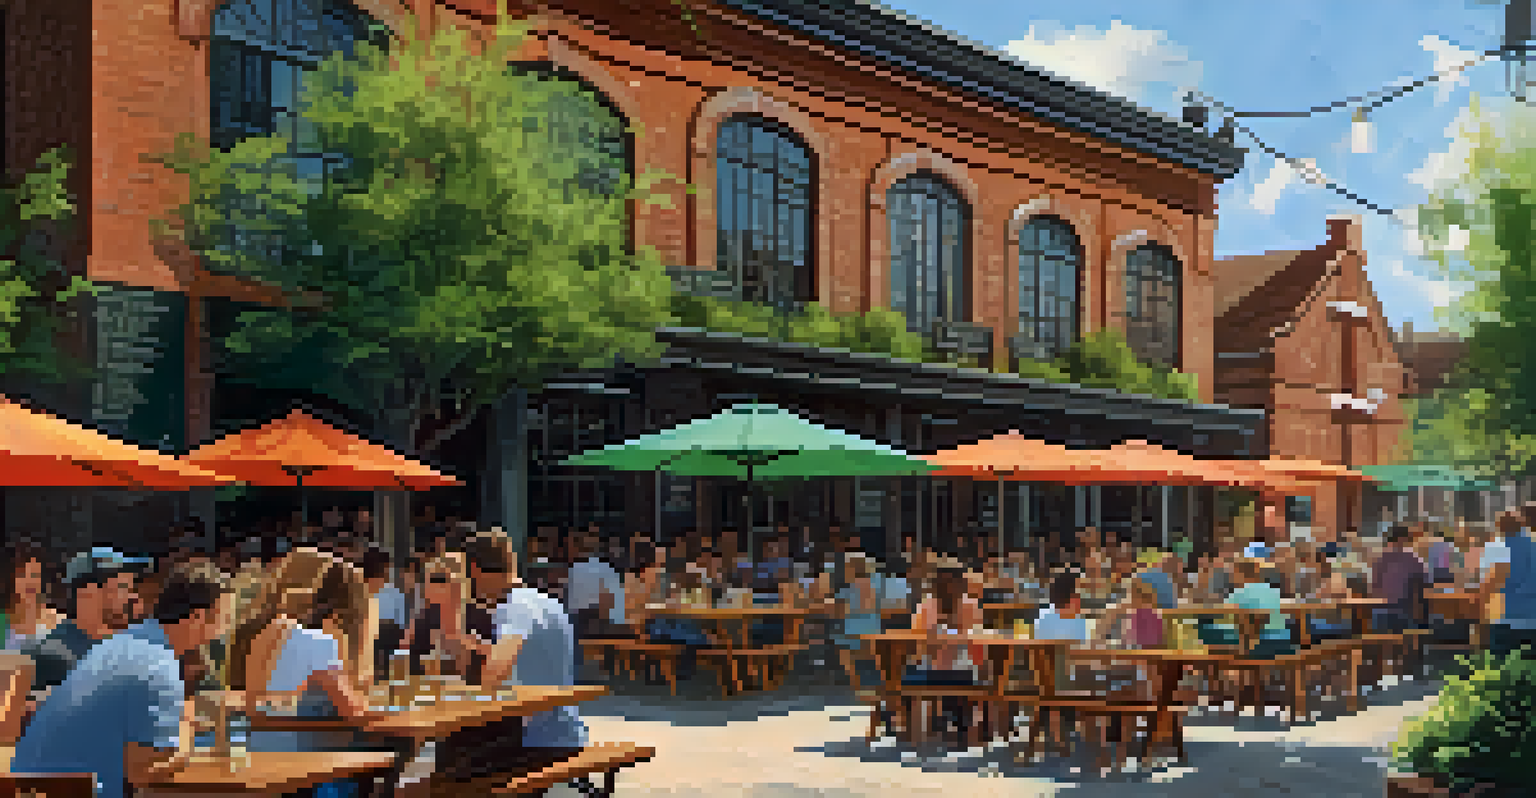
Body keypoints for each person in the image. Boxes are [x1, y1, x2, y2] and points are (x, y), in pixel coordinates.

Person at [10, 562, 232, 798]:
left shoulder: (129, 642)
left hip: (35, 788)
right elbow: (142, 772)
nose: (226, 628)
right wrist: (186, 741)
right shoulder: (157, 663)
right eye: (225, 618)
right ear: (198, 616)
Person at [430, 534, 586, 783]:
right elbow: (524, 654)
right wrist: (465, 638)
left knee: (449, 757)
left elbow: (492, 678)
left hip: (536, 740)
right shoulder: (546, 602)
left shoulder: (514, 608)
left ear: (473, 571)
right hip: (566, 730)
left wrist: (450, 692)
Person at [23, 548, 149, 693]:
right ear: (88, 592)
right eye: (123, 588)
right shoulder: (51, 656)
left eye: (132, 588)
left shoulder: (132, 651)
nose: (133, 598)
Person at [1475, 507, 1536, 659]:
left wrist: (1481, 621)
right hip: (1533, 617)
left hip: (1504, 619)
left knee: (1502, 672)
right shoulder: (1533, 544)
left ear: (1498, 526)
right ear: (1522, 524)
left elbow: (1488, 586)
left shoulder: (1496, 547)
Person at [565, 529, 628, 640]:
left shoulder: (604, 568)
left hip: (592, 621)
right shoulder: (576, 569)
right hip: (585, 621)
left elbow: (614, 600)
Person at [833, 553, 884, 692]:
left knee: (842, 649)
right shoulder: (875, 585)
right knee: (873, 653)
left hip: (854, 630)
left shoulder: (849, 588)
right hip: (873, 628)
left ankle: (856, 684)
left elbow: (840, 611)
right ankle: (881, 680)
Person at [1226, 557, 1294, 659]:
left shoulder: (1238, 595)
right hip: (1284, 639)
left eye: (1233, 574)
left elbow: (1228, 623)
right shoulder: (1273, 591)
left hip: (1258, 643)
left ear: (1240, 574)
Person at [1, 542, 61, 651]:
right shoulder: (3, 622)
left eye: (34, 575)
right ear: (12, 578)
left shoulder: (58, 623)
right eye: (23, 576)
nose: (30, 583)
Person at [1371, 523, 1429, 634]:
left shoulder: (1381, 559)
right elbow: (1421, 587)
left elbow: (1375, 587)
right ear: (1405, 539)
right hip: (1404, 610)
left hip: (1383, 610)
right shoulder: (1413, 560)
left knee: (1382, 646)